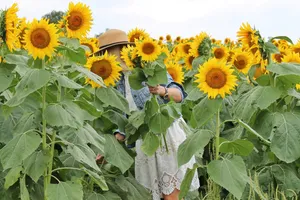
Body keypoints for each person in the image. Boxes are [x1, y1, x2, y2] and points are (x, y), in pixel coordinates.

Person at [95, 29, 200, 200]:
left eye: (106, 54)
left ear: (120, 51)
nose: (104, 60)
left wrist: (162, 90)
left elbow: (179, 94)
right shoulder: (117, 80)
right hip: (145, 141)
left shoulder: (146, 67)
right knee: (152, 195)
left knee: (171, 195)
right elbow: (125, 125)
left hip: (166, 134)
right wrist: (108, 151)